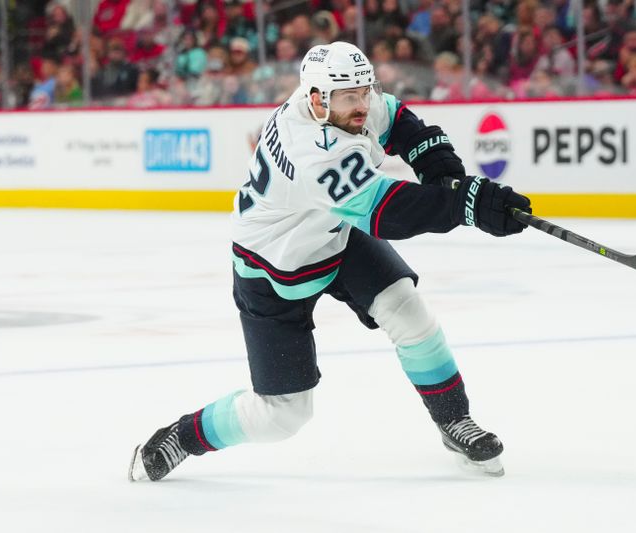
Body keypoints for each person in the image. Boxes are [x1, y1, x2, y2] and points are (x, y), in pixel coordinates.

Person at [128, 41, 531, 482]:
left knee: (409, 311)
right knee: (282, 415)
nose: (363, 104)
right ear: (317, 99)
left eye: (365, 90)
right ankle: (183, 436)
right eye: (350, 96)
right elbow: (387, 212)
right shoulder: (311, 150)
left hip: (331, 234)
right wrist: (465, 205)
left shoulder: (341, 101)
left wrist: (450, 178)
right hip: (271, 267)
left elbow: (404, 125)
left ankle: (454, 420)